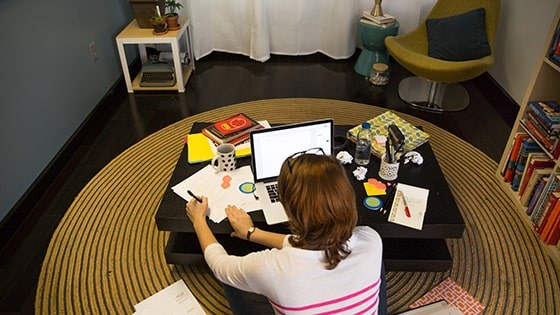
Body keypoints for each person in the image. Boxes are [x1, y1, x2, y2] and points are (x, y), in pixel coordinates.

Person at [186, 152, 386, 314]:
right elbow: (310, 244)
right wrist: (251, 233)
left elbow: (220, 266)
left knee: (234, 281)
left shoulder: (271, 268)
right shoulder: (372, 241)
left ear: (288, 210)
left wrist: (198, 221)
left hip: (268, 276)